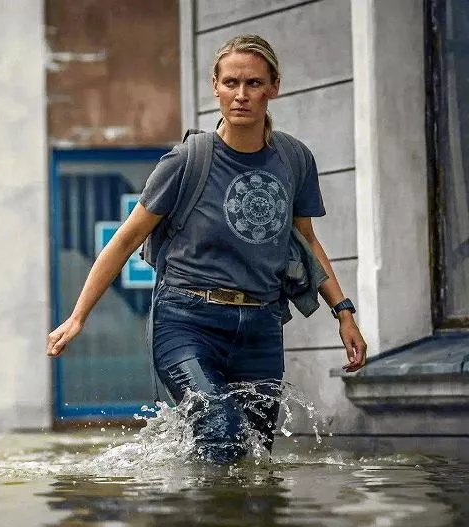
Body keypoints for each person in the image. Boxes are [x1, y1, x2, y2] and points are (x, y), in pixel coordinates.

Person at [46, 35, 367, 465]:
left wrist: (343, 312)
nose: (241, 95)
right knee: (220, 433)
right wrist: (78, 316)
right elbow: (124, 239)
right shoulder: (186, 161)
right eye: (230, 82)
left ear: (274, 87)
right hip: (186, 322)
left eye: (254, 83)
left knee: (254, 458)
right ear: (214, 87)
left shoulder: (294, 159)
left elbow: (306, 241)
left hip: (260, 327)